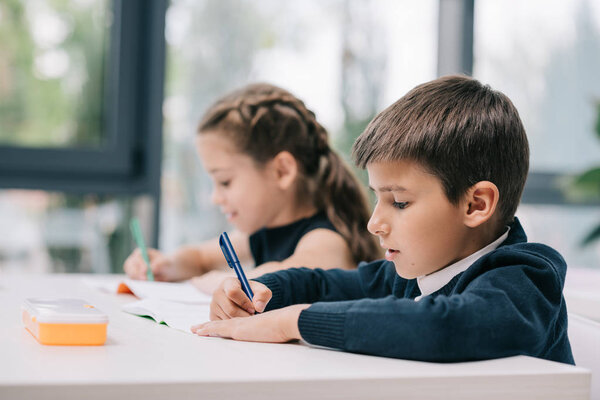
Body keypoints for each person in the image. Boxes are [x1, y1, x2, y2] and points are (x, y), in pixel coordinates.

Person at [191, 75, 574, 365]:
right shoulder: (410, 273)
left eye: (400, 202)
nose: (375, 222)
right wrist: (264, 289)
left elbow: (447, 327)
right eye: (377, 198)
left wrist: (295, 322)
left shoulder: (526, 277)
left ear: (475, 204)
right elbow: (324, 284)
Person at [124, 83, 381, 293]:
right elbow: (200, 257)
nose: (215, 198)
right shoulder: (261, 233)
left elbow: (272, 280)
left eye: (225, 181)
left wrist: (210, 282)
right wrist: (166, 265)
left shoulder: (326, 242)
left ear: (282, 171)